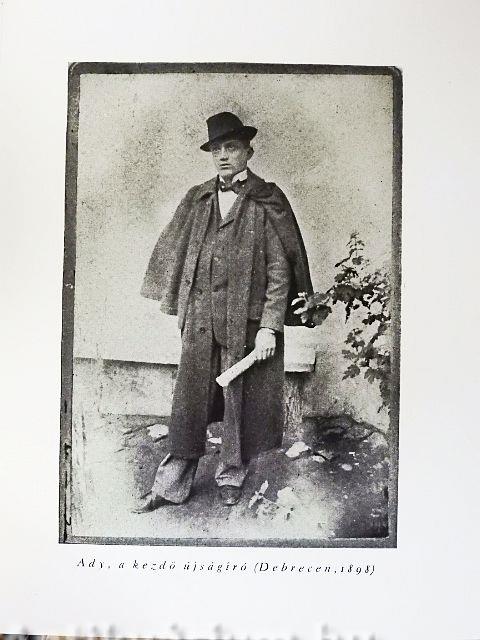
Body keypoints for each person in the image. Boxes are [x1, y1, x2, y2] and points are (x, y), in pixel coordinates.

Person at [135, 111, 314, 510]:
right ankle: (170, 485)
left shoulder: (266, 200)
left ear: (249, 151)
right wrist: (184, 307)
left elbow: (280, 271)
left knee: (238, 401)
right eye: (216, 149)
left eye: (231, 147)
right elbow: (178, 253)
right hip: (200, 320)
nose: (223, 156)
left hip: (245, 321)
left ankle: (231, 474)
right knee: (188, 404)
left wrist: (269, 326)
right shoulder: (198, 199)